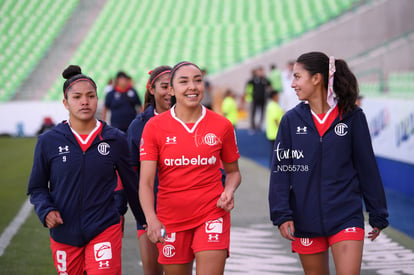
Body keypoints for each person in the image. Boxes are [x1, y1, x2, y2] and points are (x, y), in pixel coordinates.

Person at [268, 52, 389, 275]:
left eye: (297, 77)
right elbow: (281, 171)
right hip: (305, 218)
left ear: (316, 79)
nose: (292, 84)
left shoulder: (353, 116)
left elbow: (367, 168)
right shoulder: (290, 120)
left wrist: (377, 211)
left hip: (346, 215)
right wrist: (282, 213)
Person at [27, 65, 135, 275]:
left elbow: (132, 184)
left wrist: (144, 220)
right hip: (64, 233)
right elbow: (37, 187)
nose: (84, 101)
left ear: (97, 99)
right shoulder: (48, 141)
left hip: (104, 227)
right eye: (77, 97)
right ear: (65, 103)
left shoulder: (115, 139)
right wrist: (46, 210)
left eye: (90, 96)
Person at [139, 61, 241, 275]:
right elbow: (146, 183)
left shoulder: (222, 125)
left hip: (212, 213)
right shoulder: (154, 127)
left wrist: (228, 191)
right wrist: (151, 218)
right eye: (184, 82)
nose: (192, 87)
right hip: (171, 219)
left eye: (197, 80)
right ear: (172, 90)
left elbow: (233, 173)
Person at [126, 65, 173, 275]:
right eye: (164, 86)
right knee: (152, 272)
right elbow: (130, 175)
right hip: (149, 213)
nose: (170, 92)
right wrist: (144, 216)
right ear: (151, 90)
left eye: (174, 85)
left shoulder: (193, 121)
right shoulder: (138, 126)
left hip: (183, 213)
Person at [246, 66, 272, 131]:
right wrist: (249, 95)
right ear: (257, 72)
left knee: (262, 112)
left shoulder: (265, 80)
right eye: (259, 71)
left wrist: (268, 94)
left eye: (261, 71)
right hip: (255, 99)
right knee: (253, 112)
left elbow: (270, 86)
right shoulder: (254, 79)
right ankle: (252, 125)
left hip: (263, 99)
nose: (260, 73)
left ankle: (260, 125)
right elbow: (248, 85)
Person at [265, 90, 283, 166]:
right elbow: (275, 119)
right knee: (276, 150)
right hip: (275, 132)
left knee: (274, 150)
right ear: (274, 96)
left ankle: (273, 165)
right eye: (277, 95)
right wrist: (282, 129)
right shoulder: (274, 106)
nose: (278, 97)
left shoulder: (271, 105)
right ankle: (274, 165)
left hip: (272, 132)